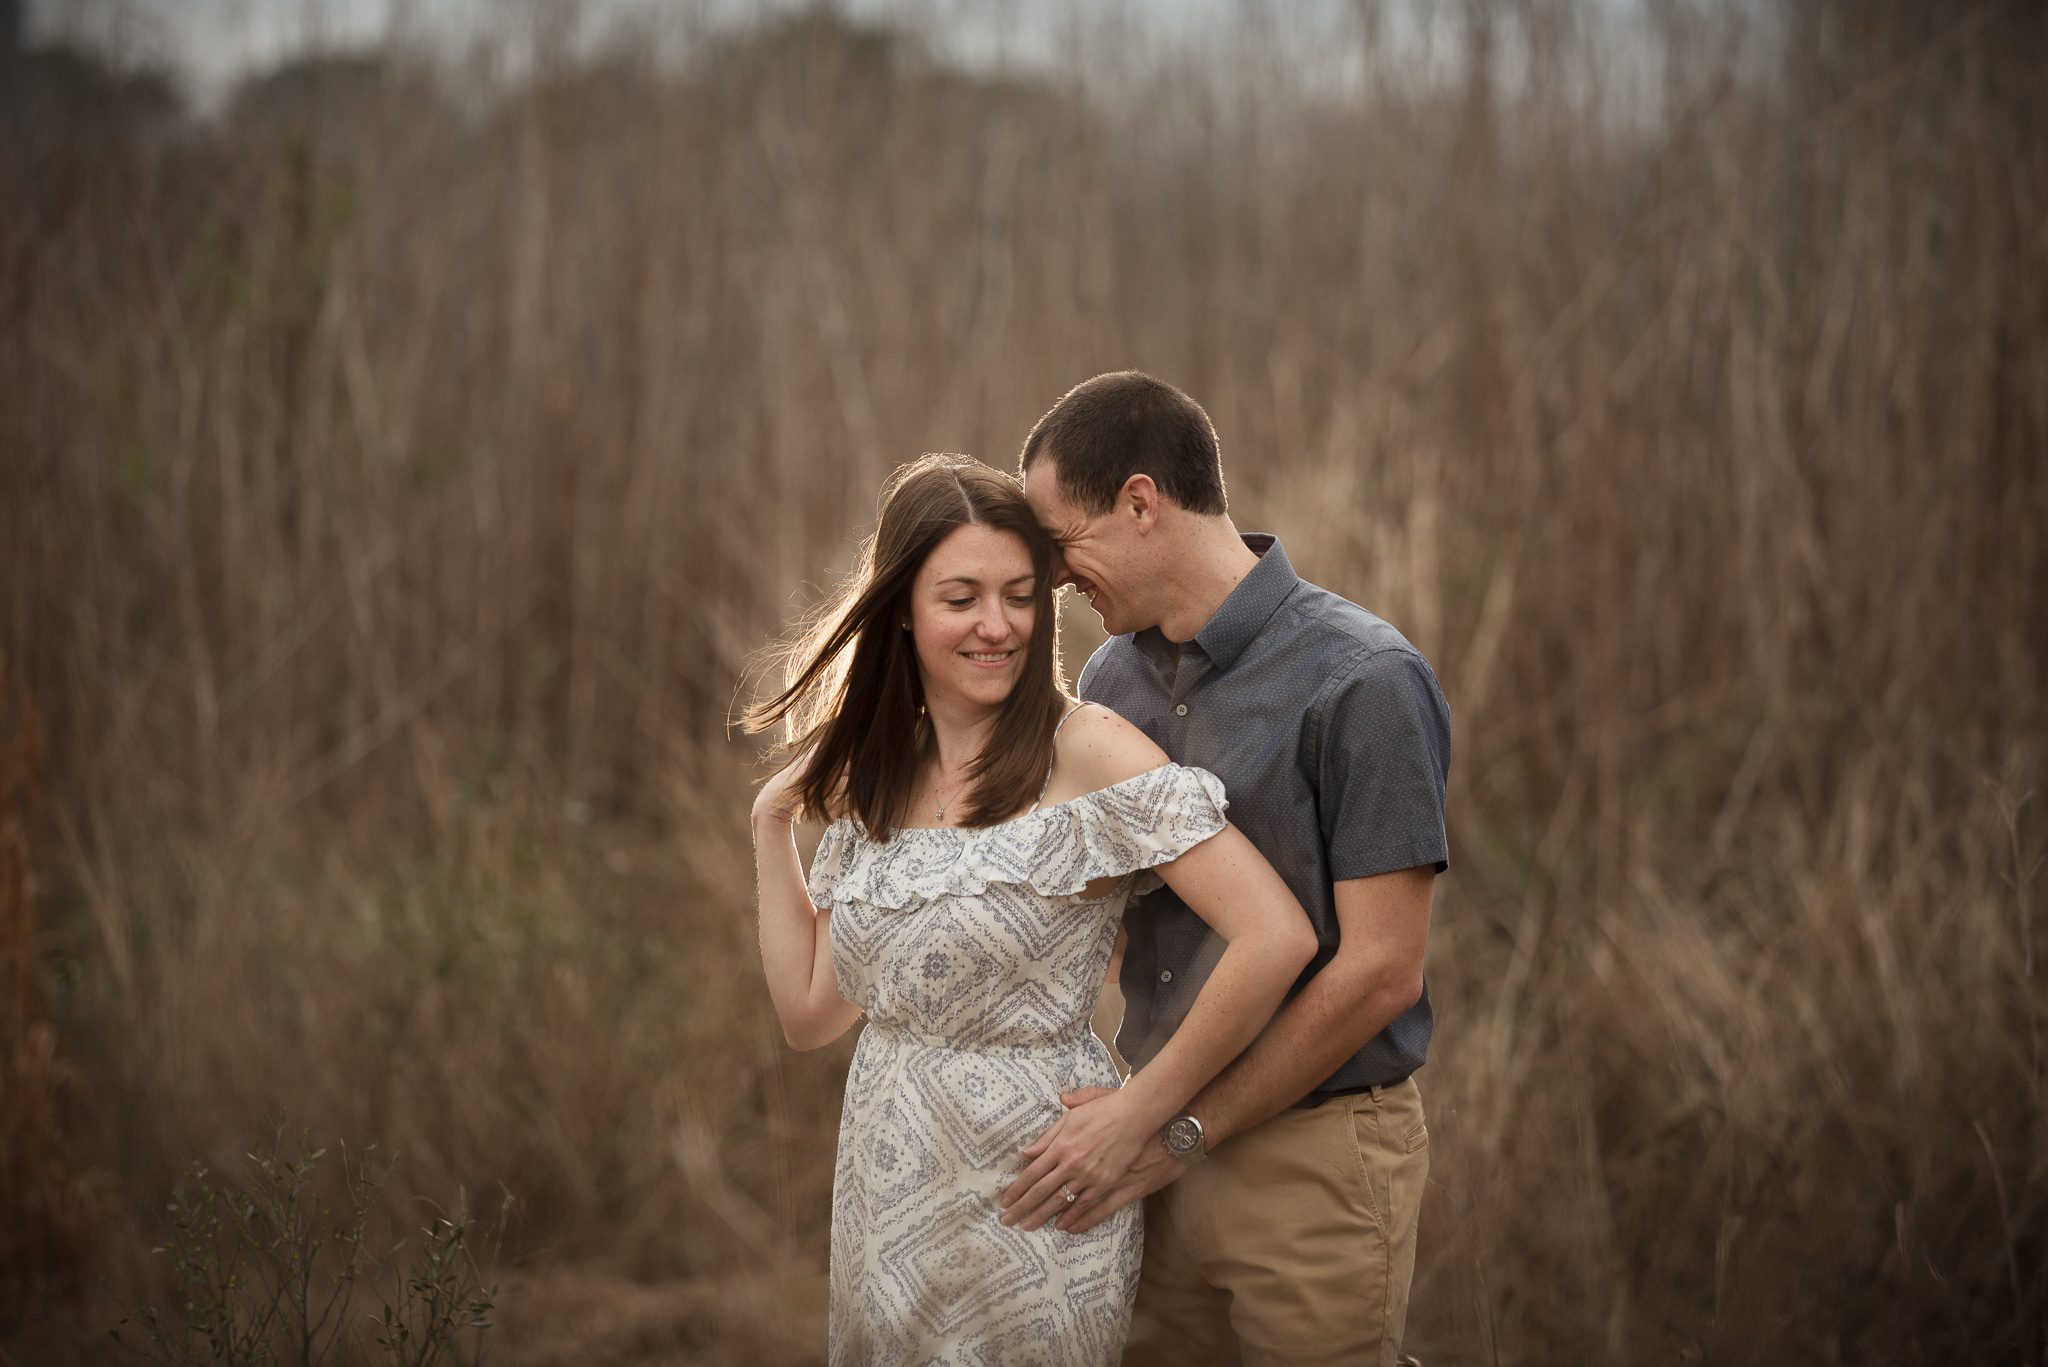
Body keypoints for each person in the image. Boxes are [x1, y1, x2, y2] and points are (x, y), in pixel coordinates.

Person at [742, 453, 1318, 1366]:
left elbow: (1275, 933)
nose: (997, 626)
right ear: (902, 606)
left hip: (1039, 1192)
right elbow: (811, 1014)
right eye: (961, 597)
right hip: (887, 1202)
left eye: (1019, 596)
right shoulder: (880, 777)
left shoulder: (1085, 747)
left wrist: (1141, 1115)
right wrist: (773, 824)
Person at [1005, 372, 1452, 1367]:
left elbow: (1383, 971)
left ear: (1138, 501)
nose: (1053, 579)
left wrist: (1170, 1124)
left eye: (1059, 543)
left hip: (1311, 1159)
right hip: (1150, 1150)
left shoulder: (1365, 680)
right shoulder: (1110, 681)